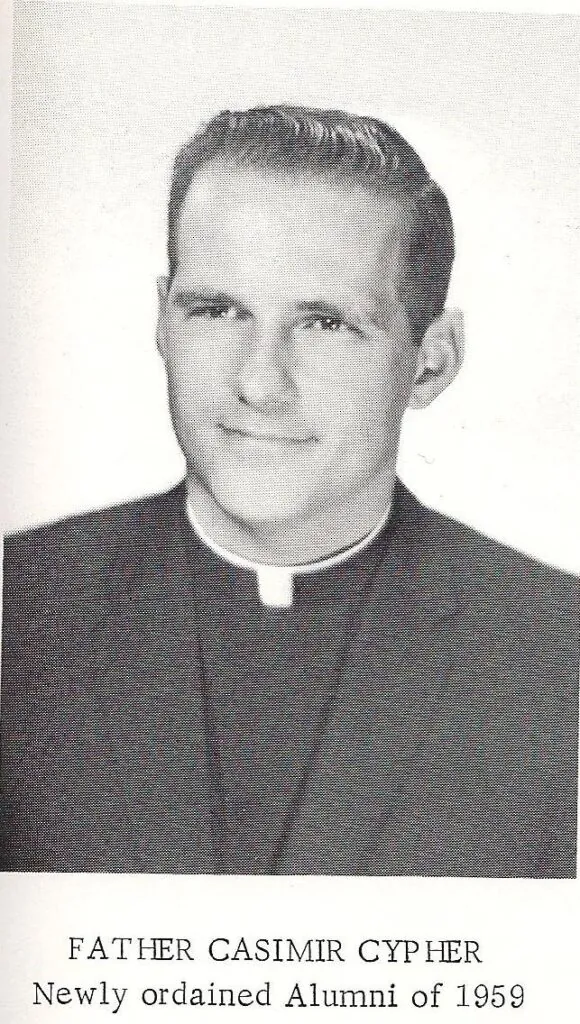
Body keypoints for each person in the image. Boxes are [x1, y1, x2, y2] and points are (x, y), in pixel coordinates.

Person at [1, 106, 577, 876]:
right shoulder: (21, 602)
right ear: (163, 323)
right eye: (218, 310)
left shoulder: (557, 652)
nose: (259, 384)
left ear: (431, 363)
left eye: (326, 324)